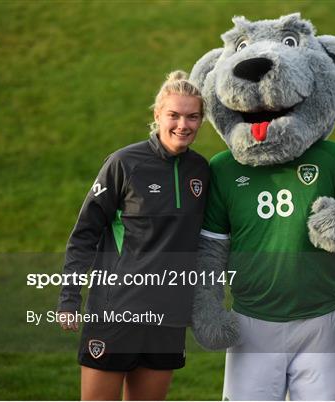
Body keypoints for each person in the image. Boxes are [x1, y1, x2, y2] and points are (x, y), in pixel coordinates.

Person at [57, 70, 209, 400]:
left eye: (192, 116)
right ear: (157, 114)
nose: (183, 125)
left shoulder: (202, 171)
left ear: (201, 119)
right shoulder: (124, 163)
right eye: (174, 115)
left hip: (168, 318)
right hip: (116, 310)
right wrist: (69, 298)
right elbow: (84, 234)